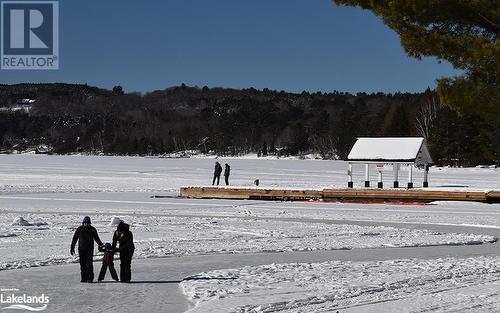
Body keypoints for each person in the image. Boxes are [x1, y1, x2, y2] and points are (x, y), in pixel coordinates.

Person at [70, 216, 103, 283]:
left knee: (89, 264)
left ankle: (90, 278)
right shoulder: (79, 229)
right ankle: (84, 278)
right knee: (82, 264)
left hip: (89, 250)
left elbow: (96, 238)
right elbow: (75, 238)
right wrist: (72, 247)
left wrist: (101, 245)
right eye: (85, 223)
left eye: (87, 223)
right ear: (83, 222)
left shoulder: (92, 229)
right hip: (81, 249)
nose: (86, 224)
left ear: (89, 223)